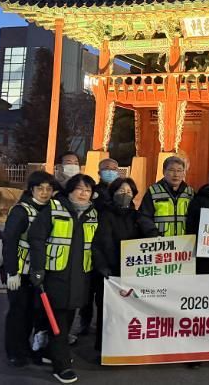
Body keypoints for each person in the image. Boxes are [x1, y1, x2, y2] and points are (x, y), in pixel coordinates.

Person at [28, 174, 99, 384]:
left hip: (79, 276)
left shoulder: (92, 213)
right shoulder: (54, 208)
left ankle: (50, 353)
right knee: (57, 321)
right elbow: (36, 238)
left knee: (67, 318)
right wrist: (38, 269)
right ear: (70, 191)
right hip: (56, 275)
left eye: (88, 190)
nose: (84, 193)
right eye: (79, 189)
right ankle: (62, 365)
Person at [2, 171, 58, 367]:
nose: (44, 192)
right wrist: (12, 271)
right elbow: (9, 242)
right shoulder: (21, 211)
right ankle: (16, 351)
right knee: (19, 313)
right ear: (31, 189)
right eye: (40, 188)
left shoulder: (52, 209)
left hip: (40, 271)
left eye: (49, 189)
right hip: (21, 273)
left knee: (37, 314)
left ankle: (33, 350)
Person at [91, 177, 142, 353]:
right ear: (113, 193)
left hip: (129, 272)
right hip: (108, 273)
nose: (125, 194)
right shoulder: (104, 214)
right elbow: (97, 244)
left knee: (127, 313)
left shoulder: (136, 216)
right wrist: (102, 267)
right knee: (106, 313)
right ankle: (104, 350)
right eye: (121, 191)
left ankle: (124, 349)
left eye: (128, 192)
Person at [73, 157, 120, 340]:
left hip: (109, 248)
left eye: (114, 168)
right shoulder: (93, 191)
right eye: (107, 168)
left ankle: (104, 325)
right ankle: (84, 323)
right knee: (87, 291)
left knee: (104, 292)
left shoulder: (121, 190)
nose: (110, 171)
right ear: (99, 172)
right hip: (90, 244)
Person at [138, 156, 193, 237]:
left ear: (184, 173)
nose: (176, 174)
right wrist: (153, 234)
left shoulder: (190, 193)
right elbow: (144, 217)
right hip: (160, 241)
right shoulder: (153, 191)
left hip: (184, 241)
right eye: (171, 170)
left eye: (179, 170)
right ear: (164, 171)